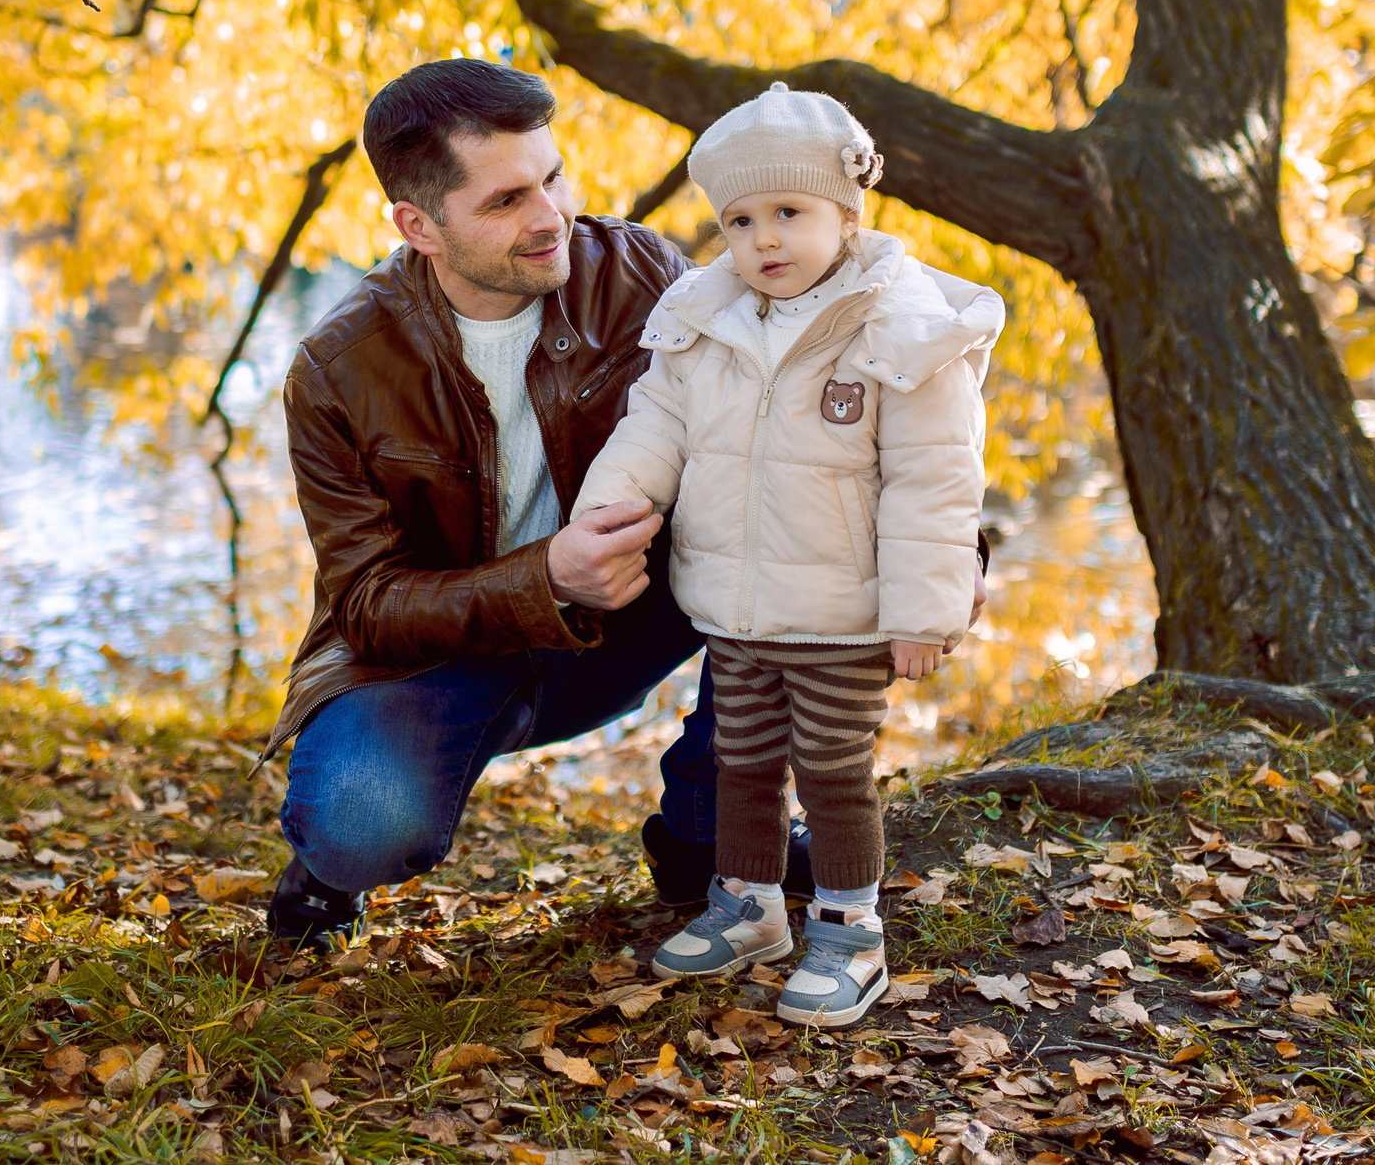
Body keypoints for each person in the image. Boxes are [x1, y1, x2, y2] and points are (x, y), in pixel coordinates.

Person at [262, 59, 819, 948]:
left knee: (804, 565)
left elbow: (788, 425)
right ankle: (327, 878)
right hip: (441, 658)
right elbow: (367, 605)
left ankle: (712, 835)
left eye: (553, 177)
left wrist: (938, 557)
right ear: (419, 225)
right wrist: (546, 576)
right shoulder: (339, 370)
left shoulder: (638, 271)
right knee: (361, 813)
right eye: (506, 200)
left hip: (631, 613)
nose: (550, 215)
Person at [572, 84, 1003, 1027]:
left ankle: (851, 930)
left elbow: (935, 479)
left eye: (789, 213)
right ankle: (751, 905)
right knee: (742, 759)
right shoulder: (705, 320)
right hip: (735, 603)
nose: (764, 239)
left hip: (843, 613)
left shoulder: (902, 324)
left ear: (848, 215)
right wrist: (608, 505)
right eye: (740, 219)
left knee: (835, 769)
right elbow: (656, 429)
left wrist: (923, 610)